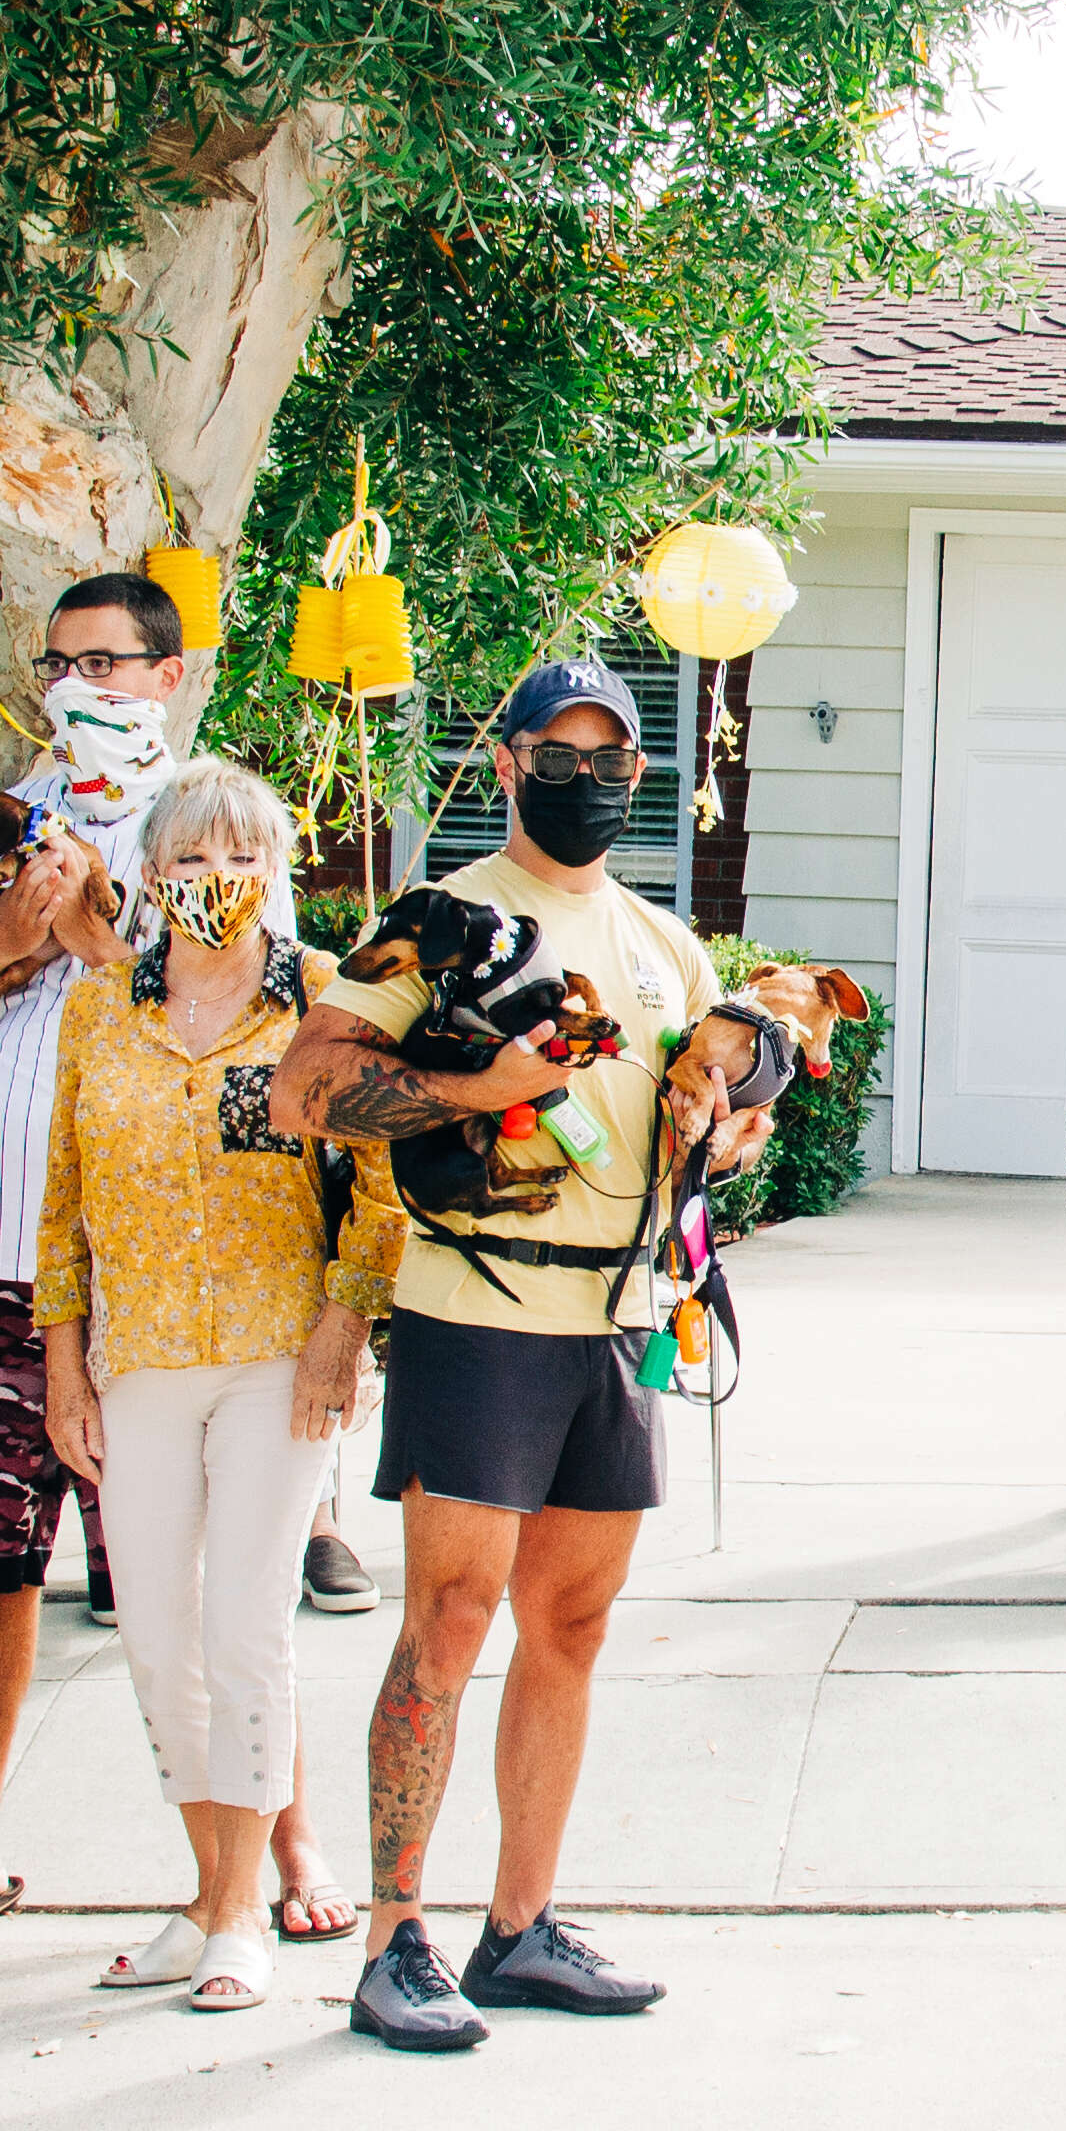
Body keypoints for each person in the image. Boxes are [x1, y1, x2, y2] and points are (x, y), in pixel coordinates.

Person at [273, 655, 775, 2052]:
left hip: (615, 1325)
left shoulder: (670, 946)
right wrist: (474, 1083)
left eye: (614, 757)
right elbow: (304, 1087)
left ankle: (520, 1925)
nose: (592, 778)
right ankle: (389, 1937)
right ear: (505, 762)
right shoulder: (441, 920)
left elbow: (708, 1110)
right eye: (560, 753)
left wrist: (724, 1128)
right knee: (449, 1615)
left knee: (571, 1625)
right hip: (477, 1309)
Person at [0, 570, 355, 1948]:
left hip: (162, 1284)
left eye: (113, 661)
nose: (86, 685)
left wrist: (99, 933)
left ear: (168, 673)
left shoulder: (207, 825)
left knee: (226, 1584)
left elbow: (270, 1016)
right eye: (63, 661)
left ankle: (282, 1841)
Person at [34, 759, 400, 2014]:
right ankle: (204, 1893)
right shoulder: (99, 1009)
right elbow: (64, 1195)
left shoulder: (318, 1001)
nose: (215, 880)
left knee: (246, 1621)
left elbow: (378, 1188)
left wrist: (341, 1334)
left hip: (273, 1355)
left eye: (241, 855)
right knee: (152, 1633)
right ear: (149, 872)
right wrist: (59, 1354)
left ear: (276, 870)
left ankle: (243, 1906)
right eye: (191, 858)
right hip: (136, 1354)